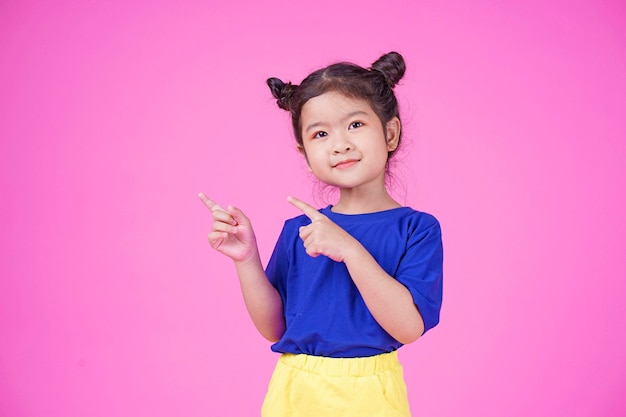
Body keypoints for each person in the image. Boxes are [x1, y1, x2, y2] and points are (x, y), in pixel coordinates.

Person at [199, 51, 443, 417]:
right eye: (321, 133)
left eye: (356, 125)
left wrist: (349, 249)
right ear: (305, 152)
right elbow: (275, 327)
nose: (339, 143)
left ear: (390, 133)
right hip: (294, 390)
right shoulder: (299, 230)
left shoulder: (416, 229)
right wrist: (247, 259)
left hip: (370, 394)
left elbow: (408, 327)